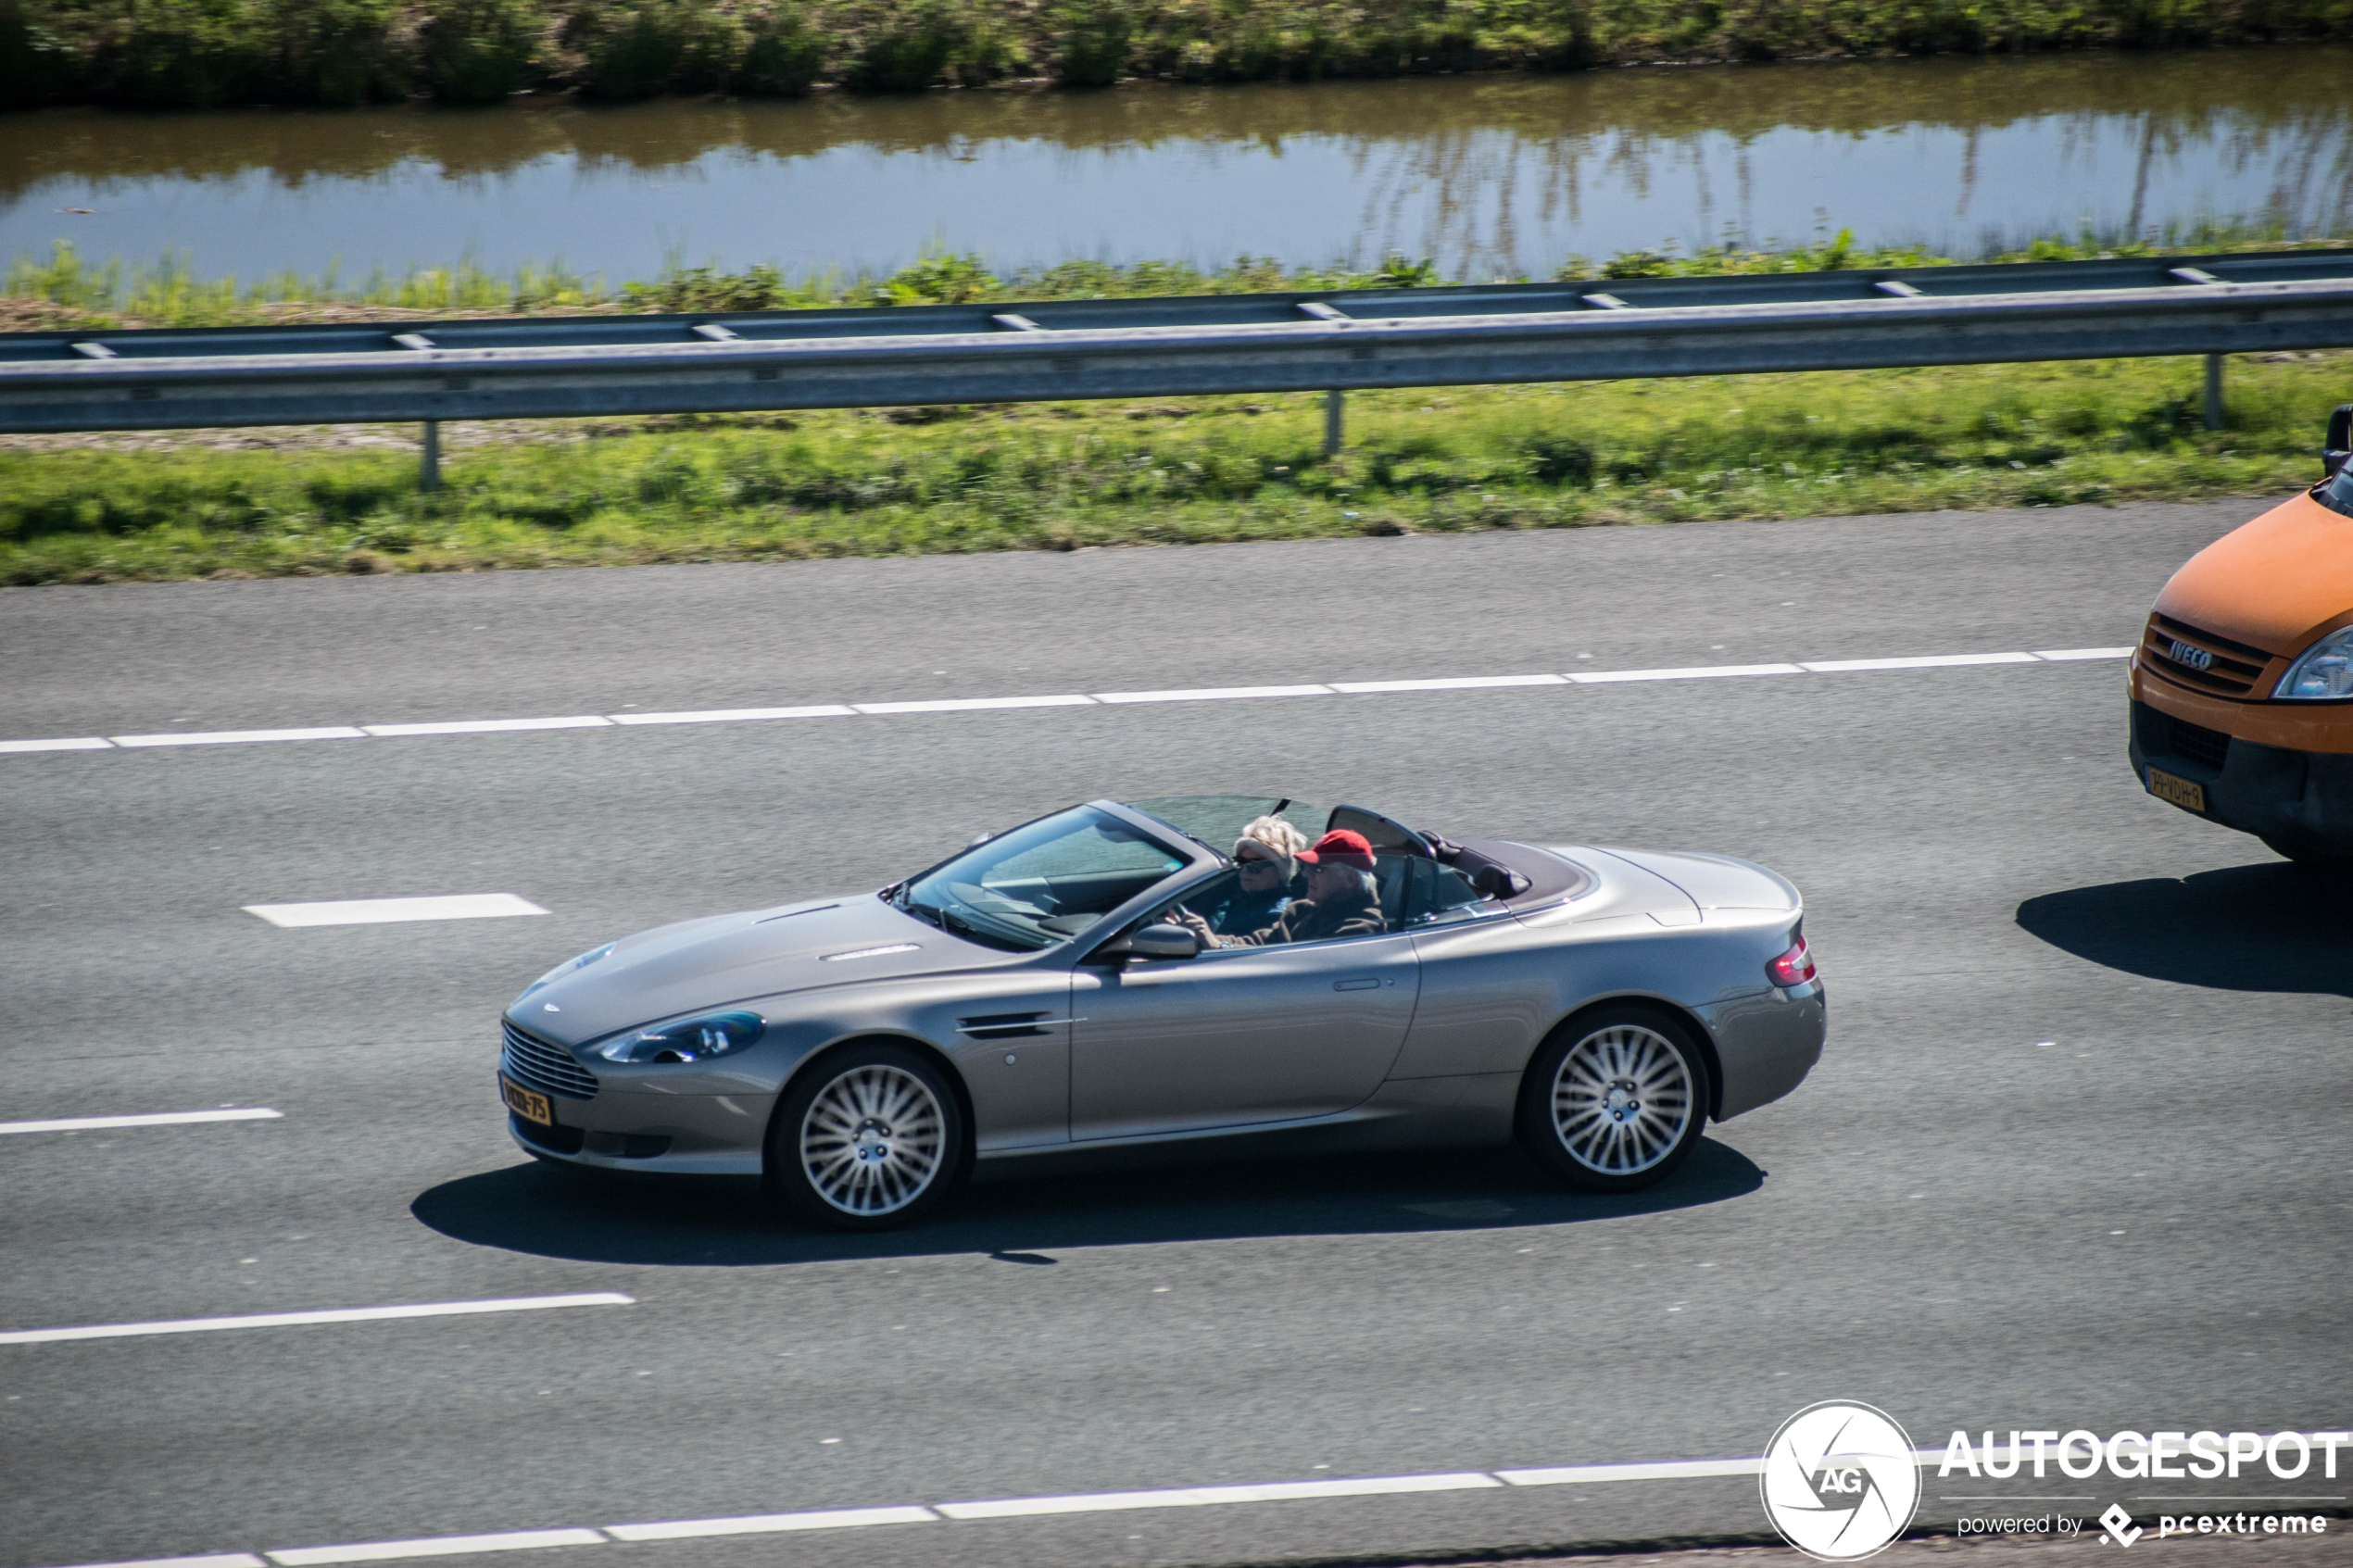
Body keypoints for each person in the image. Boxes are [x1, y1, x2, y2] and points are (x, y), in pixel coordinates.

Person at [1177, 828, 1386, 948]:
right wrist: (1207, 940)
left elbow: (1297, 970)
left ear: (1350, 880)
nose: (1306, 875)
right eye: (1307, 867)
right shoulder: (1301, 910)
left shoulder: (1359, 931)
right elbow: (1259, 942)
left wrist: (1217, 946)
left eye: (1319, 870)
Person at [1203, 815, 1307, 936]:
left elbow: (1236, 949)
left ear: (1280, 872)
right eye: (1241, 861)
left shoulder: (1276, 916)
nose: (1245, 870)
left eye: (1256, 865)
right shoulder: (1236, 899)